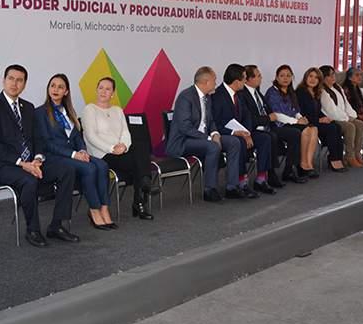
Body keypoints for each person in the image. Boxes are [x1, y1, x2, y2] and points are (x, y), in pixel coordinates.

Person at [0, 65, 80, 247]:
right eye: (11, 78)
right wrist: (22, 164)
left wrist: (38, 159)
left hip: (31, 163)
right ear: (3, 80)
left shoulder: (28, 108)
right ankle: (32, 230)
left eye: (19, 80)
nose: (14, 83)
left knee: (67, 169)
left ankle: (56, 226)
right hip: (4, 166)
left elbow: (37, 139)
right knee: (29, 180)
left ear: (24, 84)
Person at [36, 74, 115, 230]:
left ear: (66, 92)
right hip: (56, 157)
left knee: (102, 165)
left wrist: (82, 150)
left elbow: (77, 136)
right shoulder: (40, 112)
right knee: (90, 168)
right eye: (53, 85)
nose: (55, 89)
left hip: (75, 154)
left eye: (60, 87)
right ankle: (94, 211)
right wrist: (74, 154)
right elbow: (47, 144)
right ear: (48, 89)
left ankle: (104, 208)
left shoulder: (69, 111)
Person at [82, 77, 157, 220]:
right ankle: (141, 199)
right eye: (101, 87)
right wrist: (112, 148)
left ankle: (143, 190)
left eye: (108, 89)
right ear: (96, 90)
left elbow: (125, 132)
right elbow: (91, 136)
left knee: (139, 146)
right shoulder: (89, 109)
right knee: (139, 163)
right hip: (103, 154)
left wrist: (124, 145)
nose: (103, 91)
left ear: (113, 93)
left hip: (121, 151)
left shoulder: (117, 110)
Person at [165, 66, 243, 202]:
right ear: (205, 82)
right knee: (213, 146)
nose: (216, 83)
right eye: (214, 80)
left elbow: (211, 120)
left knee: (233, 142)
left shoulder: (207, 97)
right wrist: (209, 138)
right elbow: (185, 127)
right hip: (184, 141)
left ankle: (232, 187)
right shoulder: (185, 97)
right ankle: (209, 189)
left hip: (203, 138)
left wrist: (215, 133)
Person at [211, 64, 274, 196]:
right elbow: (215, 123)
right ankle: (241, 182)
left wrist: (247, 133)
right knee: (239, 141)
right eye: (244, 79)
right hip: (225, 134)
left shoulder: (238, 94)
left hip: (242, 133)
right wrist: (237, 133)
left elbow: (247, 116)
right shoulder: (218, 95)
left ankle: (261, 179)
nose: (246, 81)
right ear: (236, 82)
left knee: (265, 138)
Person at [239, 65, 306, 185]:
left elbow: (271, 111)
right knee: (271, 137)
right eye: (258, 75)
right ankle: (270, 173)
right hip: (257, 128)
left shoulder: (257, 92)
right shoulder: (243, 94)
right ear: (249, 79)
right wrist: (268, 118)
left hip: (269, 125)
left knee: (295, 133)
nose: (261, 77)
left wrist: (299, 118)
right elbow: (249, 118)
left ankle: (289, 170)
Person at [264, 65, 320, 179]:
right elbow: (277, 115)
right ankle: (298, 166)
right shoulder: (272, 92)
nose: (285, 78)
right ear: (277, 77)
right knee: (303, 131)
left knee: (313, 129)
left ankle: (307, 165)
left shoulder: (290, 91)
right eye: (282, 75)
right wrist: (297, 121)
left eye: (288, 75)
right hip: (278, 125)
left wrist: (301, 117)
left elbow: (295, 110)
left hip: (291, 123)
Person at [295, 68, 348, 172]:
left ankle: (337, 158)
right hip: (307, 122)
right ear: (306, 77)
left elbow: (317, 111)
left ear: (319, 80)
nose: (313, 79)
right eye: (310, 76)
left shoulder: (316, 92)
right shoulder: (300, 92)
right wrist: (319, 120)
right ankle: (333, 160)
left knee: (336, 126)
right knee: (331, 128)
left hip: (315, 120)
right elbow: (302, 113)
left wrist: (325, 117)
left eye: (316, 78)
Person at [319, 65, 363, 168]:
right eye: (331, 76)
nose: (333, 78)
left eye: (334, 75)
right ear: (324, 77)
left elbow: (346, 104)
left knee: (361, 124)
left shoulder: (337, 87)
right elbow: (331, 110)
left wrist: (352, 117)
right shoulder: (322, 90)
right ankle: (349, 157)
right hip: (333, 119)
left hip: (343, 116)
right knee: (350, 127)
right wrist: (346, 119)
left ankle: (356, 154)